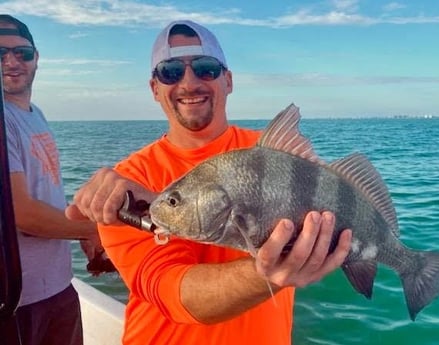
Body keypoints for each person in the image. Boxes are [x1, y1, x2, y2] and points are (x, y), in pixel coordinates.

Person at [66, 20, 353, 345]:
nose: (189, 83)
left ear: (227, 80)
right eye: (170, 71)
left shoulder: (272, 155)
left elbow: (333, 199)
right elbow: (172, 292)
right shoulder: (127, 186)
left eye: (205, 68)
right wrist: (265, 272)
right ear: (154, 88)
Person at [0, 14, 105, 345]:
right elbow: (22, 214)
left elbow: (45, 197)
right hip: (17, 304)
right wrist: (97, 228)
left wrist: (81, 231)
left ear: (36, 58)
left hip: (58, 288)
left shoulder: (36, 114)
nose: (12, 62)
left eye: (22, 53)